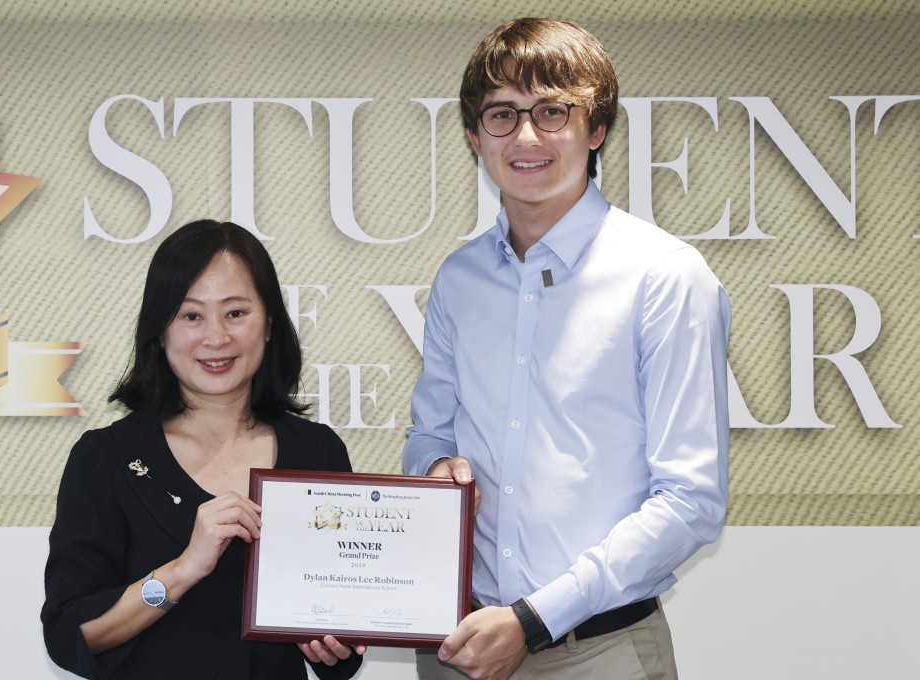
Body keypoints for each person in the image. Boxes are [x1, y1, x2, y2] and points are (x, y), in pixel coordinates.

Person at [403, 18, 731, 680]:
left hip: (600, 651)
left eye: (552, 111)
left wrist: (533, 619)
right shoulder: (458, 279)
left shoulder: (665, 276)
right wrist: (437, 468)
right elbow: (427, 436)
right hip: (459, 644)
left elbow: (689, 501)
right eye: (502, 114)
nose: (526, 137)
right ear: (474, 136)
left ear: (597, 128)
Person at [42, 220, 365, 679]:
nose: (216, 338)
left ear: (269, 325)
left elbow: (343, 639)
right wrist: (182, 570)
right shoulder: (106, 457)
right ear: (159, 331)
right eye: (191, 316)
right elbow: (70, 634)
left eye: (236, 313)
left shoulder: (317, 451)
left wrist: (335, 644)